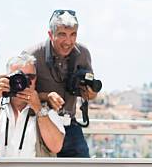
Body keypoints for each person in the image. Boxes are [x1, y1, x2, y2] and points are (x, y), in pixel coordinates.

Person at [23, 9, 97, 157]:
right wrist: (46, 96)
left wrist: (90, 93)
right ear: (50, 34)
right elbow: (21, 94)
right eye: (62, 34)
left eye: (73, 35)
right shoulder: (32, 55)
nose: (68, 42)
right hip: (42, 126)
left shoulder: (83, 54)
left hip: (70, 125)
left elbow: (91, 93)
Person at [0, 53, 64, 157]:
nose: (22, 82)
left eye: (29, 77)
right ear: (7, 78)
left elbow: (56, 146)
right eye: (17, 77)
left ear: (36, 80)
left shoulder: (47, 110)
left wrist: (38, 109)